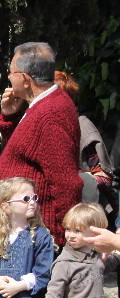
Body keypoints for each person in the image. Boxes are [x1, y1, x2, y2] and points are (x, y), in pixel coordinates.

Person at [0, 42, 82, 247]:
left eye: (11, 72)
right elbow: (24, 153)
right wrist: (10, 116)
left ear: (25, 79)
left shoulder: (51, 113)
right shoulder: (42, 106)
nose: (8, 76)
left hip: (38, 238)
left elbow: (65, 182)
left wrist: (60, 239)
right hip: (25, 234)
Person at [55, 71, 117, 228]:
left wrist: (72, 178)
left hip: (89, 214)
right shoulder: (52, 129)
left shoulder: (82, 126)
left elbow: (103, 177)